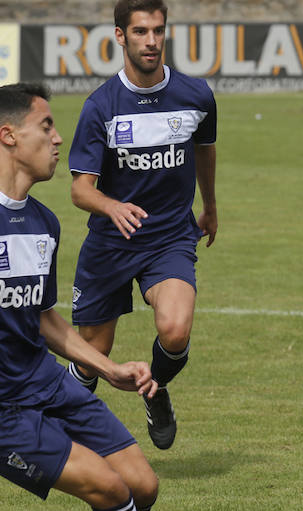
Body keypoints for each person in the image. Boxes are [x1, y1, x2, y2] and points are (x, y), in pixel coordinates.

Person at [0, 82, 189, 511]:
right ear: (8, 135)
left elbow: (43, 318)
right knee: (108, 487)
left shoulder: (43, 221)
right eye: (47, 126)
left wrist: (109, 369)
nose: (59, 139)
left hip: (46, 383)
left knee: (142, 487)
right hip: (0, 406)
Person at [67, 0, 217, 450]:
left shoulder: (196, 95)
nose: (151, 41)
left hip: (169, 237)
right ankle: (67, 429)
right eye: (140, 32)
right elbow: (80, 190)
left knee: (175, 330)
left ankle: (156, 390)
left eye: (157, 30)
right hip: (112, 242)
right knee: (93, 356)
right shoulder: (101, 107)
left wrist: (209, 206)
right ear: (120, 37)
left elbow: (205, 150)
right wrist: (111, 206)